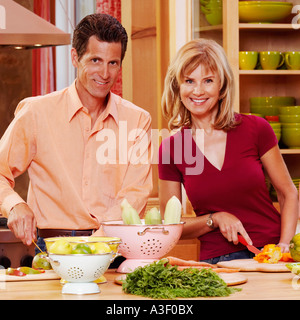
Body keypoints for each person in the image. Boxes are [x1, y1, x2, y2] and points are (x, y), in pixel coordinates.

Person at [0, 13, 152, 250]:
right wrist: (14, 205)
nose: (104, 73)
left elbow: (136, 194)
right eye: (95, 60)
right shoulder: (37, 112)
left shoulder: (137, 120)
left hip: (114, 246)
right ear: (75, 57)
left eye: (112, 63)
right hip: (51, 248)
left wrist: (96, 246)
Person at [158, 38, 299, 263]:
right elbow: (169, 226)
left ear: (222, 85)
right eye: (189, 81)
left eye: (208, 80)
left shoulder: (256, 129)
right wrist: (214, 219)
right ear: (178, 86)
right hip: (218, 262)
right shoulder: (172, 148)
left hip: (269, 252)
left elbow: (288, 193)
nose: (197, 91)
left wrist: (284, 245)